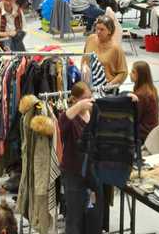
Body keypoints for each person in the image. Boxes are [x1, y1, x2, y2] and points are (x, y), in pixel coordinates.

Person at [59, 82, 100, 234]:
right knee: (74, 216)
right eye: (85, 98)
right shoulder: (71, 117)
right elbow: (61, 124)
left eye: (90, 97)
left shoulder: (94, 114)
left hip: (92, 172)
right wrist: (79, 106)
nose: (89, 101)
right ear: (75, 99)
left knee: (91, 214)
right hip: (73, 172)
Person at [83, 15, 128, 86]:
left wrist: (109, 85)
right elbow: (84, 59)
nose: (98, 32)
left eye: (102, 29)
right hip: (88, 84)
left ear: (110, 31)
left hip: (106, 86)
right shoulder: (90, 39)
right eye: (97, 28)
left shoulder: (116, 48)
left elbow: (123, 73)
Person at [130, 61, 159, 142]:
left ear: (141, 75)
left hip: (144, 133)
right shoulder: (150, 88)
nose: (130, 74)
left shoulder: (141, 95)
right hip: (151, 130)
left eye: (133, 72)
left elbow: (135, 117)